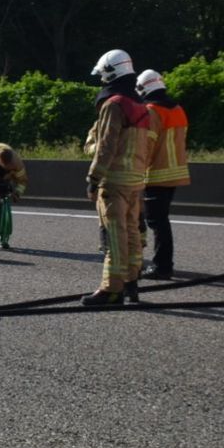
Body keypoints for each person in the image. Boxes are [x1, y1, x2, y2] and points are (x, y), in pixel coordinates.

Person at [82, 49, 152, 306]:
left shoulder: (113, 105)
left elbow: (106, 145)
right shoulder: (140, 106)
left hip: (113, 181)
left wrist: (93, 177)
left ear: (111, 72)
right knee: (132, 234)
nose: (102, 81)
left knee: (114, 236)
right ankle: (132, 286)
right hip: (135, 180)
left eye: (103, 75)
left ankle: (111, 290)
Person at [136, 69, 191, 280]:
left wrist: (137, 171)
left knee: (157, 222)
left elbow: (146, 145)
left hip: (157, 174)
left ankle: (162, 266)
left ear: (144, 88)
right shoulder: (178, 109)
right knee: (162, 220)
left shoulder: (151, 110)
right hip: (176, 173)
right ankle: (163, 264)